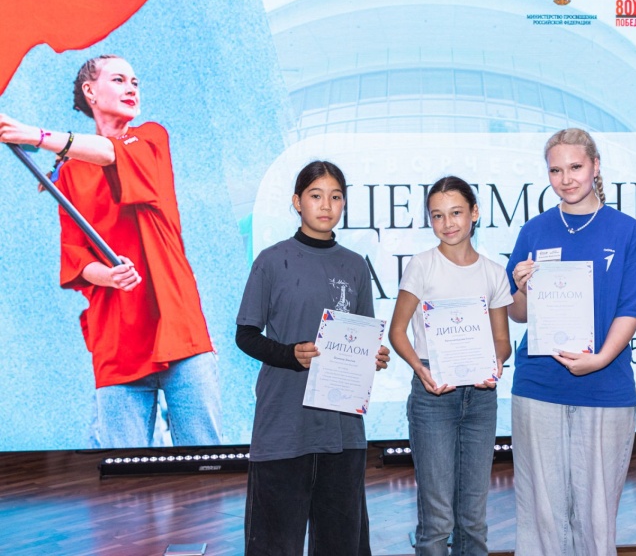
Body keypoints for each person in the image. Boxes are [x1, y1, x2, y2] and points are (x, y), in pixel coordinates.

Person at [0, 55, 221, 448]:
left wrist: (36, 135)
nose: (131, 88)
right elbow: (75, 255)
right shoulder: (68, 173)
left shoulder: (151, 138)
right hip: (118, 341)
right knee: (124, 472)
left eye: (135, 81)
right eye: (118, 80)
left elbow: (109, 153)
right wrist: (109, 275)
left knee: (205, 462)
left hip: (178, 328)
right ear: (90, 91)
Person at [506, 128, 636, 556]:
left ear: (595, 166)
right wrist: (522, 288)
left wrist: (602, 358)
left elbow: (631, 307)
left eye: (575, 167)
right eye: (555, 170)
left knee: (596, 518)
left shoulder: (625, 230)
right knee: (541, 516)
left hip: (605, 385)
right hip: (538, 385)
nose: (566, 178)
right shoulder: (534, 230)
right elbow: (518, 313)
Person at [236, 160, 391, 556]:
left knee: (341, 545)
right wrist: (289, 354)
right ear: (297, 202)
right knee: (274, 545)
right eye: (316, 195)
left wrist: (372, 356)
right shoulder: (271, 260)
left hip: (342, 430)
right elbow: (246, 335)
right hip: (284, 426)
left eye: (335, 197)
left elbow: (360, 335)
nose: (326, 205)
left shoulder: (355, 265)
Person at [388, 176, 512, 556]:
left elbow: (502, 341)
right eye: (438, 215)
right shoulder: (422, 266)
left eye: (456, 212)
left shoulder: (493, 272)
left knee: (473, 519)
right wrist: (419, 368)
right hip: (433, 395)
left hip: (481, 398)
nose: (448, 223)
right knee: (437, 520)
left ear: (474, 213)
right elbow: (397, 331)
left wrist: (496, 363)